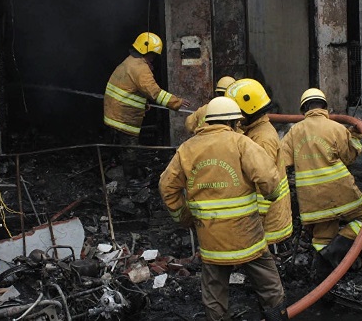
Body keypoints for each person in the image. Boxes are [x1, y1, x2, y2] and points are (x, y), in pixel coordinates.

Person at [159, 97, 288, 321]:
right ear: (232, 122)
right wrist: (272, 195)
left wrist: (183, 216)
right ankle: (276, 316)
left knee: (214, 289)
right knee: (268, 282)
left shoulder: (187, 149)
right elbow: (267, 176)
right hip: (247, 235)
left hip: (211, 238)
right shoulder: (240, 142)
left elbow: (166, 186)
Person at [280, 88, 362, 272]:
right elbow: (349, 156)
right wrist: (355, 136)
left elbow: (283, 161)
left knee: (322, 237)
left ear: (304, 109)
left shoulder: (294, 132)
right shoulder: (337, 128)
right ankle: (338, 249)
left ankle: (322, 276)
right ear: (325, 107)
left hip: (311, 200)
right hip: (342, 193)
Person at [104, 32, 190, 175]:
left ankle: (115, 169)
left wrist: (142, 104)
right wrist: (176, 102)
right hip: (123, 117)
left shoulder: (129, 61)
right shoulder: (140, 68)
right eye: (153, 54)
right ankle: (131, 180)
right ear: (146, 51)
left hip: (114, 113)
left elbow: (129, 90)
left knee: (118, 146)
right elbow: (154, 92)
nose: (153, 58)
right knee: (130, 149)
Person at [225, 78, 293, 245]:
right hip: (267, 218)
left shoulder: (262, 139)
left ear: (248, 109)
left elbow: (264, 181)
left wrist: (255, 221)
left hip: (267, 223)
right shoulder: (255, 131)